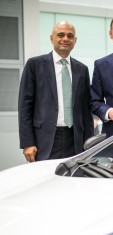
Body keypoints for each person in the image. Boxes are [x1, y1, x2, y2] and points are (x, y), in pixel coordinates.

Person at [18, 21, 94, 163]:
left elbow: (86, 110)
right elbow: (25, 106)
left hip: (75, 139)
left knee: (74, 180)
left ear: (75, 41)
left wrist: (89, 143)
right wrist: (27, 142)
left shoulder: (82, 69)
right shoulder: (34, 65)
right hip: (44, 139)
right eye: (60, 35)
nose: (65, 39)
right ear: (51, 38)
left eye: (70, 36)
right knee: (44, 181)